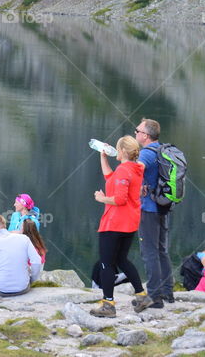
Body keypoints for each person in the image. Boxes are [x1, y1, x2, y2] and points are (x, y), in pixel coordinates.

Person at [89, 135, 153, 317]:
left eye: (118, 148)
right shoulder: (135, 168)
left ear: (124, 151)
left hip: (114, 223)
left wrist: (102, 199)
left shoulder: (124, 170)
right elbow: (110, 177)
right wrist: (103, 157)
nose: (115, 151)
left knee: (106, 264)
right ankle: (142, 296)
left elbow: (119, 199)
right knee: (122, 260)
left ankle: (108, 305)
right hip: (130, 223)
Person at [136, 117, 173, 307]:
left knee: (149, 252)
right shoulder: (162, 150)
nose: (135, 133)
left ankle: (154, 297)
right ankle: (168, 292)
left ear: (145, 135)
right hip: (163, 206)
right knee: (162, 251)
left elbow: (136, 171)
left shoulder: (145, 154)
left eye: (137, 130)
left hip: (149, 209)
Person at [0, 214, 42, 296]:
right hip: (23, 289)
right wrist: (31, 280)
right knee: (25, 266)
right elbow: (37, 261)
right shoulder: (24, 238)